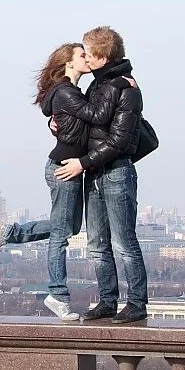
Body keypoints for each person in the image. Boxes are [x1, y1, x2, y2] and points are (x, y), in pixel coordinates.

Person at [0, 42, 129, 320]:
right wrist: (123, 84)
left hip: (70, 167)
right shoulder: (65, 92)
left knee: (69, 226)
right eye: (82, 55)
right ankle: (58, 295)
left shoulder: (71, 92)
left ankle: (10, 232)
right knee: (61, 235)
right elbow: (97, 116)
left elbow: (78, 125)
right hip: (65, 168)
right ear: (69, 63)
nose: (87, 58)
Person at [54, 26, 149, 325]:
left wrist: (82, 163)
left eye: (89, 53)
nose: (86, 58)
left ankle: (136, 303)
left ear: (103, 56)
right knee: (97, 243)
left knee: (124, 242)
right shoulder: (98, 85)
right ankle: (108, 301)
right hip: (94, 172)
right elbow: (82, 122)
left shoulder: (126, 89)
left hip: (117, 173)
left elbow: (119, 142)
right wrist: (55, 125)